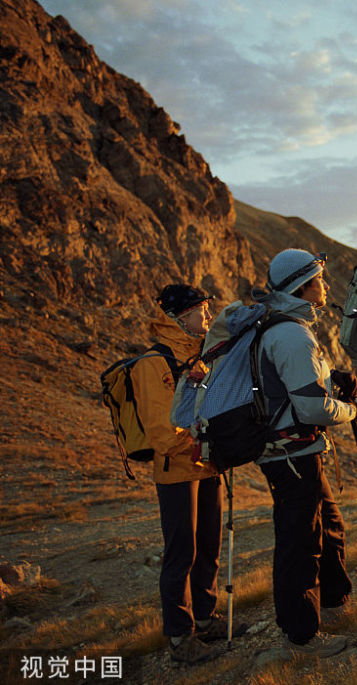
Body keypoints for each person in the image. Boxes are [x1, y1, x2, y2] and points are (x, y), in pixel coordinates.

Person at [252, 249, 357, 656]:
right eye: (320, 279)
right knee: (300, 541)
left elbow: (298, 388)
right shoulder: (292, 335)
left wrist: (331, 382)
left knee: (327, 525)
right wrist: (349, 410)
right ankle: (301, 636)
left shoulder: (279, 328)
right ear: (303, 286)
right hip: (293, 455)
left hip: (291, 451)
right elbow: (310, 408)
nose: (326, 286)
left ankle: (333, 604)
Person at [135, 284, 239, 663]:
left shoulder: (201, 356)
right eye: (202, 311)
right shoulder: (152, 364)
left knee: (208, 544)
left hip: (206, 463)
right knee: (182, 551)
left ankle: (205, 618)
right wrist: (200, 441)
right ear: (180, 316)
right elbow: (162, 432)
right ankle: (180, 637)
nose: (207, 318)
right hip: (177, 470)